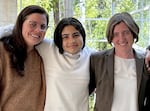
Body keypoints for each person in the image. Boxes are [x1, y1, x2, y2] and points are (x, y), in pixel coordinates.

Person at [89, 12, 150, 111]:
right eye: (116, 34)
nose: (121, 38)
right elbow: (84, 90)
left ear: (133, 33)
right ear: (111, 37)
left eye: (126, 32)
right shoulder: (98, 60)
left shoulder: (144, 61)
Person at [36, 17, 95, 111]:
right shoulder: (49, 48)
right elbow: (19, 32)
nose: (72, 41)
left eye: (76, 35)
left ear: (82, 35)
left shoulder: (92, 56)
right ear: (59, 39)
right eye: (65, 37)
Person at [0, 5, 49, 111]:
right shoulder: (2, 51)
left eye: (43, 26)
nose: (38, 30)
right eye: (32, 24)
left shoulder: (40, 57)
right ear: (20, 24)